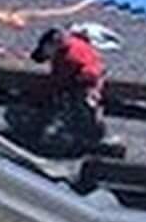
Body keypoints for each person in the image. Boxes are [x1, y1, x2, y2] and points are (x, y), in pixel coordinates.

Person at [6, 23, 106, 155]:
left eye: (48, 49)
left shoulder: (68, 59)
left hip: (83, 85)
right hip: (87, 78)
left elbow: (57, 83)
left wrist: (33, 96)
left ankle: (78, 138)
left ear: (54, 45)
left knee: (71, 110)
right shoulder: (73, 45)